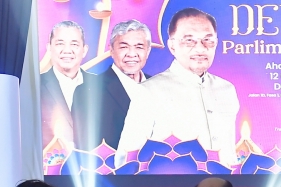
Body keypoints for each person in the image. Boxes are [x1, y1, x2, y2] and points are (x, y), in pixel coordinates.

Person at [116, 8, 240, 167]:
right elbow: (126, 159)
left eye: (208, 40)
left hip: (224, 182)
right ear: (172, 46)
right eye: (189, 40)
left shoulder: (227, 89)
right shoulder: (148, 91)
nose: (201, 48)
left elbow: (229, 152)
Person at [89, 20, 153, 152]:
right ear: (111, 50)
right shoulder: (90, 91)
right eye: (124, 47)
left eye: (139, 47)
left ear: (148, 51)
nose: (131, 54)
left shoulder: (158, 86)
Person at [40, 20, 99, 151]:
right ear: (49, 48)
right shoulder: (34, 86)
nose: (67, 50)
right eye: (60, 43)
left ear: (84, 50)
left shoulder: (102, 85)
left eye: (74, 44)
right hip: (49, 162)